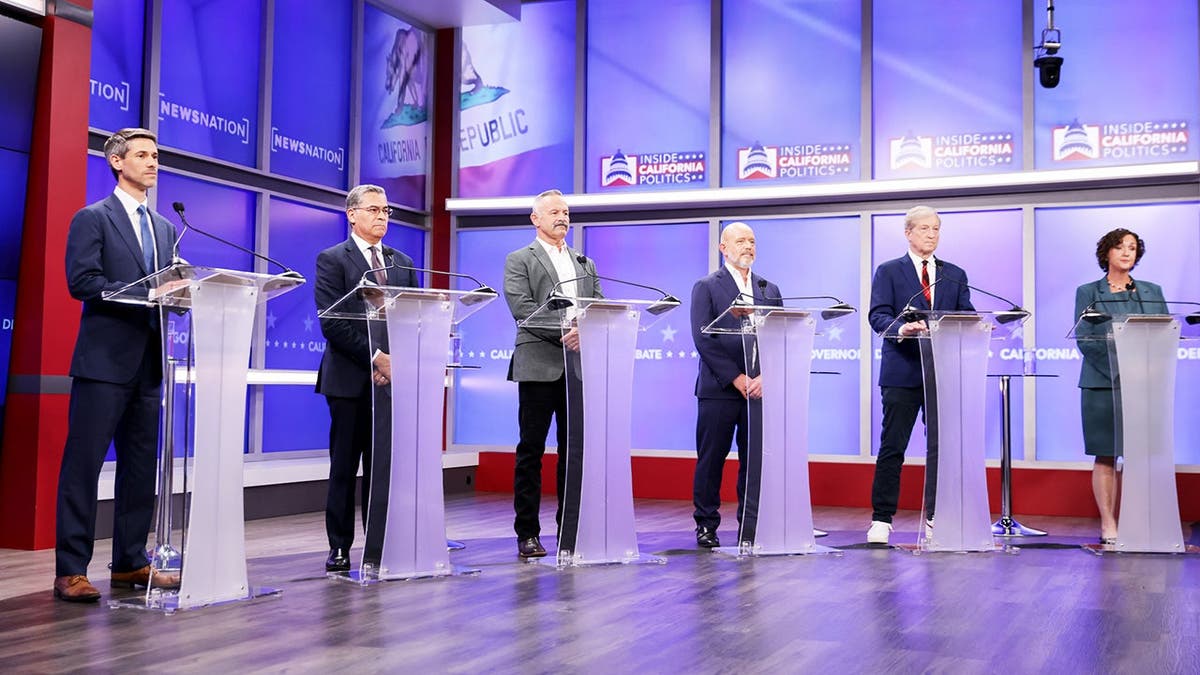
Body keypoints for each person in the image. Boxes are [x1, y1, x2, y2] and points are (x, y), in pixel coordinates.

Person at [54, 128, 179, 602]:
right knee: (83, 467)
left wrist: (183, 295)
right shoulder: (93, 218)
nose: (153, 163)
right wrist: (149, 295)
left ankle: (130, 563)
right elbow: (83, 281)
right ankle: (70, 569)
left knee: (140, 469)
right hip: (103, 364)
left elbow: (169, 289)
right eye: (143, 155)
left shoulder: (165, 228)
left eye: (156, 155)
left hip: (149, 365)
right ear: (116, 162)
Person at [314, 184, 417, 572]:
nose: (382, 216)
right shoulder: (333, 259)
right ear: (352, 214)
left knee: (383, 468)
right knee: (344, 467)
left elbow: (413, 317)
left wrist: (398, 363)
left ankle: (380, 543)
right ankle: (339, 546)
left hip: (392, 382)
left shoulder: (402, 262)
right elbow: (333, 321)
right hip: (349, 380)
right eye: (374, 210)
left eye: (386, 210)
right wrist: (377, 359)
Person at [502, 189, 602, 558]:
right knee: (531, 451)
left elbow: (599, 304)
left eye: (566, 212)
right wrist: (566, 331)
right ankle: (527, 533)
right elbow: (522, 308)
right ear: (536, 219)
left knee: (574, 451)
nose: (562, 217)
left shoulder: (583, 262)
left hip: (578, 367)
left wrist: (587, 329)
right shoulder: (519, 259)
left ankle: (570, 529)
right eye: (555, 212)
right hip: (539, 365)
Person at [865, 205, 974, 545]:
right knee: (892, 447)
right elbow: (877, 315)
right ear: (908, 232)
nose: (931, 234)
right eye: (925, 228)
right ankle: (882, 519)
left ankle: (936, 517)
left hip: (942, 374)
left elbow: (967, 316)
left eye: (936, 229)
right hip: (902, 372)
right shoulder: (889, 271)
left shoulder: (954, 274)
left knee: (941, 449)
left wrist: (972, 324)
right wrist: (903, 328)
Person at [689, 222, 782, 549]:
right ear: (723, 248)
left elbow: (780, 336)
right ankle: (706, 524)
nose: (748, 246)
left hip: (759, 390)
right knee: (711, 459)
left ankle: (751, 524)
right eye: (741, 240)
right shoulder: (707, 286)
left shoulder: (769, 289)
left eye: (752, 241)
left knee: (755, 459)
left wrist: (765, 376)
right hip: (720, 390)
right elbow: (704, 338)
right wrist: (737, 378)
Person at [1073, 228, 1166, 545]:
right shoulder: (1089, 291)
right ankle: (1109, 523)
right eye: (1120, 247)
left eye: (1132, 248)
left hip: (1145, 385)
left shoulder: (1152, 291)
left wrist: (1144, 369)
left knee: (1143, 455)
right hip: (1103, 384)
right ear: (1106, 253)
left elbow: (1164, 334)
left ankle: (1141, 521)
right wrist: (1121, 369)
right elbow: (1086, 338)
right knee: (1106, 455)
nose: (1127, 252)